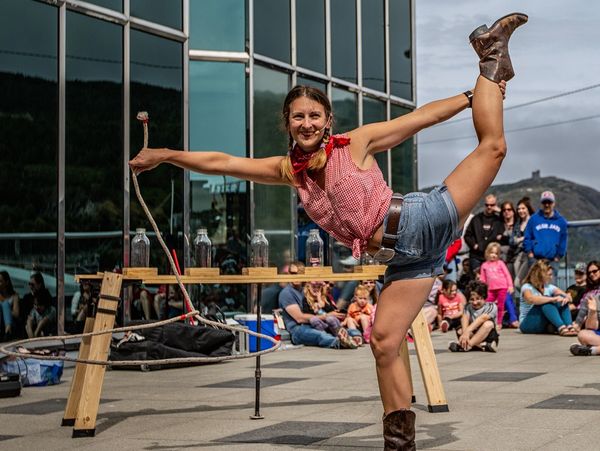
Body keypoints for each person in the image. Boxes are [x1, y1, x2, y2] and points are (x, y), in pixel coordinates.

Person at [130, 12, 526, 447]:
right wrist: (165, 154)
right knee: (383, 342)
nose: (307, 123)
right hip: (406, 258)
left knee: (493, 147)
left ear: (328, 120)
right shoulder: (289, 172)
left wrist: (473, 95)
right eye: (298, 117)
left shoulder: (354, 143)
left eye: (314, 115)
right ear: (288, 123)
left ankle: (490, 58)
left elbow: (421, 118)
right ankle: (400, 442)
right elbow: (224, 162)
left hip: (420, 220)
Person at [519, 260, 577, 336]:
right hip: (527, 324)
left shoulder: (549, 287)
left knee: (562, 299)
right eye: (549, 275)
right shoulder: (527, 287)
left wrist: (566, 298)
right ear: (540, 275)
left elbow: (567, 296)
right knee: (546, 301)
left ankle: (569, 326)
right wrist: (552, 299)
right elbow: (530, 299)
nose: (551, 277)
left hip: (542, 323)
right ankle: (561, 327)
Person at [523, 191, 568, 275]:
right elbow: (527, 237)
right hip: (535, 259)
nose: (547, 205)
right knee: (534, 286)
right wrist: (530, 253)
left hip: (552, 261)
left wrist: (558, 257)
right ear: (541, 203)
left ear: (553, 203)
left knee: (550, 286)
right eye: (544, 202)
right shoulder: (534, 219)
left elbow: (563, 240)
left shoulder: (561, 221)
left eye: (549, 202)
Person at [448, 280, 499, 352]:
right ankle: (482, 346)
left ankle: (467, 346)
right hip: (473, 334)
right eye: (472, 299)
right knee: (460, 330)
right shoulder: (468, 307)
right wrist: (465, 332)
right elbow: (464, 318)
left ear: (484, 296)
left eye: (478, 298)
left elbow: (482, 318)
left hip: (488, 336)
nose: (475, 302)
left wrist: (467, 331)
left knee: (488, 324)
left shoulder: (491, 306)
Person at [463, 194, 504, 272]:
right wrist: (474, 245)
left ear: (496, 205)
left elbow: (511, 219)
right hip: (476, 256)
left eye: (492, 205)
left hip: (492, 257)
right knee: (476, 281)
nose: (489, 207)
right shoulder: (476, 219)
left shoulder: (498, 220)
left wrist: (500, 211)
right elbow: (467, 235)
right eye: (487, 205)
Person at [479, 242, 514, 329]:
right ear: (487, 253)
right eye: (491, 253)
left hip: (502, 287)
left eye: (496, 253)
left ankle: (499, 323)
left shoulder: (500, 263)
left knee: (500, 306)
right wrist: (481, 289)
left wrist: (510, 286)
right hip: (490, 289)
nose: (493, 255)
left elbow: (507, 275)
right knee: (487, 305)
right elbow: (482, 279)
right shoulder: (484, 265)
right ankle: (486, 321)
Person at [510, 197, 535, 287]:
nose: (521, 211)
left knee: (518, 283)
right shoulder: (518, 223)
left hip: (529, 254)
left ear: (528, 209)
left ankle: (530, 298)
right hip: (518, 255)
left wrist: (520, 239)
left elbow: (534, 238)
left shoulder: (534, 221)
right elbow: (512, 241)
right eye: (519, 209)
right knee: (520, 283)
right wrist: (522, 239)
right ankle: (528, 299)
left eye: (523, 208)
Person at [573, 261, 600, 330]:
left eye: (594, 271)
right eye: (589, 273)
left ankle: (577, 325)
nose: (591, 274)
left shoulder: (584, 289)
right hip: (584, 314)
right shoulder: (590, 289)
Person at [0, 271, 20, 341]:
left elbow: (16, 314)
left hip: (12, 324)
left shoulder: (14, 296)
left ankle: (8, 330)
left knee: (5, 304)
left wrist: (6, 310)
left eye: (0, 281)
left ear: (7, 282)